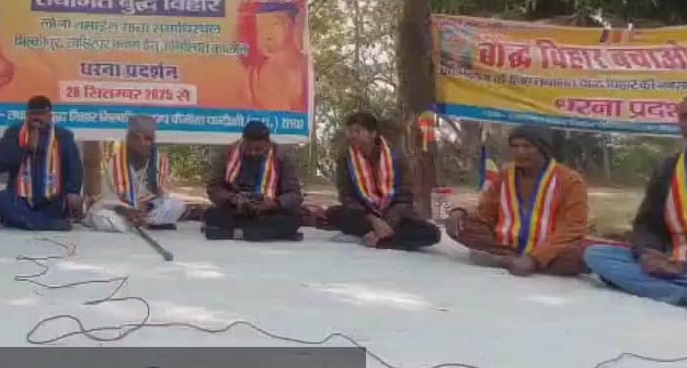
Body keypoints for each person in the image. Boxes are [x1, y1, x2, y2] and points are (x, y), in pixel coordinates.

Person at [584, 93, 687, 322]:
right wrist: (647, 254)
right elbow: (647, 223)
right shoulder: (669, 167)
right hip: (675, 257)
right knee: (597, 255)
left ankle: (664, 287)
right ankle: (685, 296)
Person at [445, 125, 590, 276]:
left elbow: (573, 227)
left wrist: (534, 258)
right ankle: (512, 259)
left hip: (550, 247)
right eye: (515, 146)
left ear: (543, 149)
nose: (520, 152)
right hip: (506, 243)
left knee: (578, 257)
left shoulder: (571, 180)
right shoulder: (504, 174)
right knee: (459, 225)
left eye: (527, 146)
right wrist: (460, 211)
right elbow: (485, 211)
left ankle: (506, 261)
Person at [328, 112, 440, 250]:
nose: (352, 136)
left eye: (357, 131)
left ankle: (382, 240)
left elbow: (405, 197)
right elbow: (346, 196)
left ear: (373, 133)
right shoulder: (345, 158)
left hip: (394, 214)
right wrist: (374, 220)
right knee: (334, 214)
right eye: (350, 132)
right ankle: (390, 238)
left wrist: (387, 223)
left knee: (433, 233)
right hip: (364, 215)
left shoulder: (396, 157)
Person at [0, 95, 83, 231]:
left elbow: (74, 167)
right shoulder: (13, 133)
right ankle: (44, 223)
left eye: (41, 114)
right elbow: (0, 165)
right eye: (33, 114)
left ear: (50, 116)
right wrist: (25, 149)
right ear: (27, 115)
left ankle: (29, 222)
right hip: (20, 200)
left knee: (61, 204)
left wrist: (73, 191)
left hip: (51, 200)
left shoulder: (63, 136)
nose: (36, 118)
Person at [203, 121, 303, 241]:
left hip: (269, 212)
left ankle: (236, 232)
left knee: (292, 220)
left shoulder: (282, 156)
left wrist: (275, 203)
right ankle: (256, 233)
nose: (253, 152)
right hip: (236, 210)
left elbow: (294, 194)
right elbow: (214, 187)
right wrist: (232, 198)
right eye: (248, 148)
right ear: (243, 141)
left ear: (268, 143)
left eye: (258, 149)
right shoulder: (227, 153)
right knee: (212, 214)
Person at [86, 115, 187, 233]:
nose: (151, 144)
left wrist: (147, 207)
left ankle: (146, 222)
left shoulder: (159, 161)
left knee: (177, 205)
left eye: (152, 139)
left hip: (148, 213)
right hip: (122, 213)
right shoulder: (115, 162)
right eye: (147, 139)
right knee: (101, 216)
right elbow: (107, 198)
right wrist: (126, 211)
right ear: (132, 139)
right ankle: (139, 224)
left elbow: (160, 195)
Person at [243, 1, 309, 111]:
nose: (266, 33)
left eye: (274, 24)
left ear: (291, 24)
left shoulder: (305, 68)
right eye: (261, 26)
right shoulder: (252, 75)